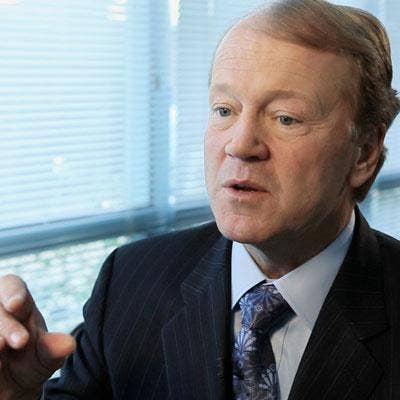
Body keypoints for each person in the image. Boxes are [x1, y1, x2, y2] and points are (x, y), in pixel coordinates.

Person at [0, 0, 399, 399]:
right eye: (225, 110)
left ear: (364, 152)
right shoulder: (130, 281)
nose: (239, 145)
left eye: (285, 118)